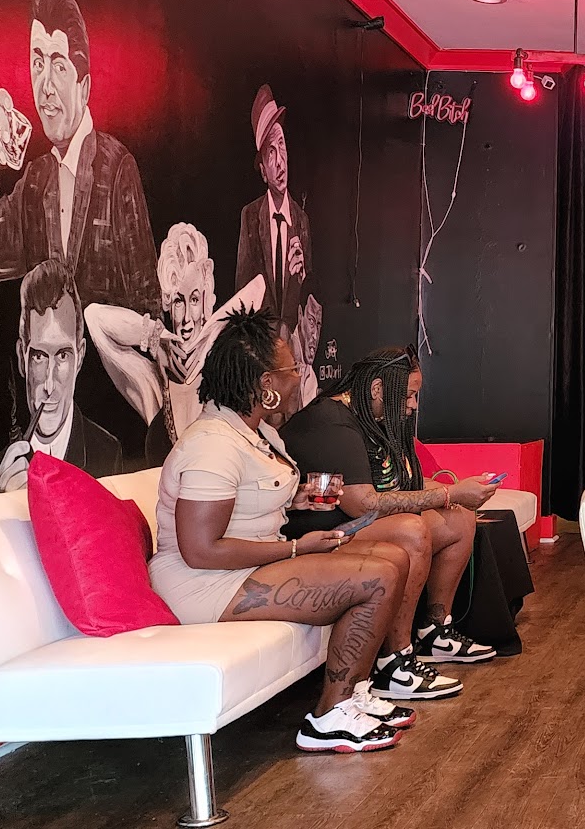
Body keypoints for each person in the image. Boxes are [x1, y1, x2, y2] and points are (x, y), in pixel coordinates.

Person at [148, 307, 416, 752]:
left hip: (240, 568)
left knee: (394, 557)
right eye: (292, 370)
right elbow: (200, 550)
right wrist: (297, 549)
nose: (299, 377)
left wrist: (297, 499)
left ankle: (354, 693)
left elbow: (246, 499)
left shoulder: (256, 433)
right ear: (266, 384)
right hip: (204, 584)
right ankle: (329, 718)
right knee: (378, 576)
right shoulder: (211, 446)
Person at [280, 345, 499, 672]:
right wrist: (448, 493)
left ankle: (434, 630)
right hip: (316, 533)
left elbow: (392, 486)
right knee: (411, 530)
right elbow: (364, 504)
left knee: (459, 517)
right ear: (377, 389)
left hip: (347, 522)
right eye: (408, 395)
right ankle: (395, 659)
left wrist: (458, 493)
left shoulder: (369, 416)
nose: (412, 405)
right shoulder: (331, 421)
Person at [0, 0, 159, 314]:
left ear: (84, 87)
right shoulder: (35, 181)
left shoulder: (117, 166)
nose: (45, 87)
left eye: (59, 66)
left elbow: (147, 303)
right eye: (38, 63)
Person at [85, 223, 266, 466]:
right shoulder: (155, 386)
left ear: (206, 300)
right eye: (179, 301)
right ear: (169, 304)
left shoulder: (224, 380)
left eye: (195, 299)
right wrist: (157, 337)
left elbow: (258, 288)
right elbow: (94, 317)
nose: (187, 317)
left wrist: (208, 341)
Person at [0, 260, 123, 494]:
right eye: (39, 357)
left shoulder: (107, 454)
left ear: (80, 357)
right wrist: (3, 503)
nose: (49, 385)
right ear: (22, 359)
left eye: (63, 355)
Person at [236, 85, 312, 334]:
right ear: (263, 172)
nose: (280, 162)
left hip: (291, 347)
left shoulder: (301, 220)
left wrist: (301, 277)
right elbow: (242, 292)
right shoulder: (250, 216)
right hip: (261, 342)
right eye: (271, 153)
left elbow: (311, 298)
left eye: (282, 145)